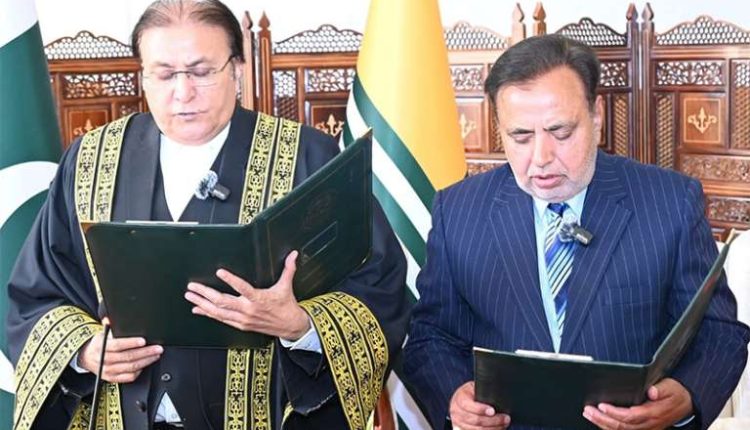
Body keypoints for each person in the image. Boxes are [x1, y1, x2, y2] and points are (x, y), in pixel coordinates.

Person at [7, 1, 409, 429]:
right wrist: (85, 352)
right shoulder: (91, 160)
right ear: (143, 75)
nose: (183, 93)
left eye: (201, 72)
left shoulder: (308, 158)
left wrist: (300, 325)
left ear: (237, 69)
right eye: (164, 74)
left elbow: (378, 291)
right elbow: (37, 295)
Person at [403, 34, 750, 430]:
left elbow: (718, 331)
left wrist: (685, 395)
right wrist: (454, 398)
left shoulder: (671, 203)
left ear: (596, 115)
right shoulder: (458, 211)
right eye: (520, 136)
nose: (541, 157)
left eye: (561, 132)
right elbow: (431, 335)